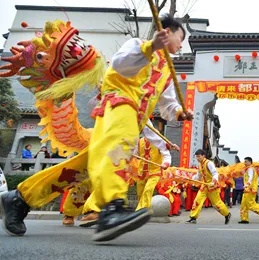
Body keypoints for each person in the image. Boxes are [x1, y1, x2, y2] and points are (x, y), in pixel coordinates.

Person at [0, 15, 192, 241]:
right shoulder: (138, 45)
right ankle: (112, 208)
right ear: (166, 32)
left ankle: (19, 198)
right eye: (180, 38)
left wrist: (179, 112)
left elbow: (167, 103)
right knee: (119, 150)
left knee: (82, 168)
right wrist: (151, 47)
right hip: (119, 103)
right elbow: (120, 65)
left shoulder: (167, 72)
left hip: (133, 118)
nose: (180, 45)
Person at [186, 149, 231, 224]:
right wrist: (191, 179)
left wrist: (214, 181)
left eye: (199, 156)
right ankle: (193, 217)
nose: (197, 158)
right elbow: (199, 175)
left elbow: (215, 173)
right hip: (204, 186)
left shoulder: (209, 163)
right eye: (196, 157)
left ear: (203, 156)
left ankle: (227, 214)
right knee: (197, 201)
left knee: (217, 204)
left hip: (212, 186)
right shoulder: (200, 165)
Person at [238, 157, 259, 224]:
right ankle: (244, 219)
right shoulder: (247, 169)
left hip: (250, 189)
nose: (244, 163)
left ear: (250, 162)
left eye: (246, 161)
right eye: (244, 161)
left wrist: (248, 184)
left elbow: (250, 177)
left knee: (251, 204)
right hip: (247, 189)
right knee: (243, 205)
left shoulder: (250, 169)